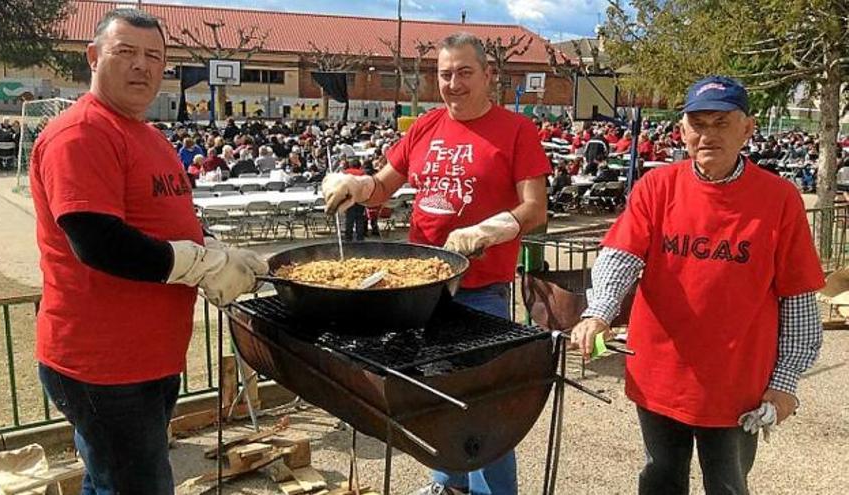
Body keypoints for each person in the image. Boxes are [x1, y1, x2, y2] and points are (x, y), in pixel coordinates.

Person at [28, 9, 268, 494]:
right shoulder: (83, 132)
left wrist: (213, 249)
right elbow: (97, 241)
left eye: (154, 56)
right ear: (93, 57)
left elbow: (165, 220)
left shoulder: (150, 136)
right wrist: (197, 264)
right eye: (126, 52)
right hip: (103, 364)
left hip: (150, 356)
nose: (142, 66)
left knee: (107, 480)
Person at [570, 76, 824, 495]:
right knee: (660, 479)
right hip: (659, 377)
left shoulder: (780, 199)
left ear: (747, 129)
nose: (708, 134)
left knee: (728, 485)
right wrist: (599, 312)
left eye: (721, 123)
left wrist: (785, 382)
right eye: (698, 123)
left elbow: (797, 297)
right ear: (683, 131)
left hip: (737, 386)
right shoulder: (656, 186)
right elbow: (621, 256)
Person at [322, 32, 550, 495]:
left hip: (482, 289)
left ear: (489, 76)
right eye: (445, 74)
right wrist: (356, 187)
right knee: (431, 394)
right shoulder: (424, 127)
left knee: (485, 406)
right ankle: (448, 485)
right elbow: (383, 185)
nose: (453, 83)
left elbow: (536, 208)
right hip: (421, 288)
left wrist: (490, 230)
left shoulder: (517, 131)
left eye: (465, 72)